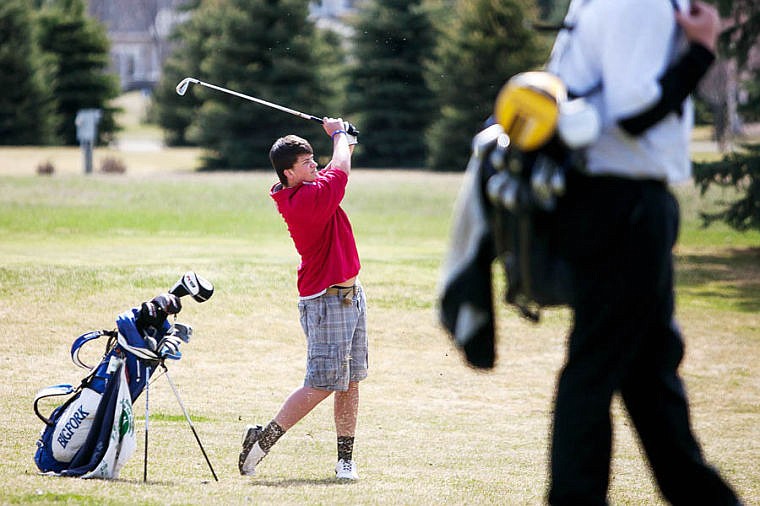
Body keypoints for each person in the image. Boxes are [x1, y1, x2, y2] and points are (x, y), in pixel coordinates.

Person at [545, 0, 743, 504]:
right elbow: (634, 112)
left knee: (650, 371)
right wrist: (701, 52)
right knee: (599, 366)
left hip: (613, 200)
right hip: (623, 202)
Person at [238, 117, 368, 480]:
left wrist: (348, 141)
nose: (315, 166)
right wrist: (339, 135)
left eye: (315, 160)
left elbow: (337, 165)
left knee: (350, 380)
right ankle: (263, 440)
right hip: (326, 302)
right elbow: (339, 169)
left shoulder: (310, 186)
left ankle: (345, 461)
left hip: (351, 297)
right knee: (323, 382)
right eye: (307, 163)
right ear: (289, 174)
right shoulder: (305, 200)